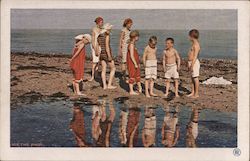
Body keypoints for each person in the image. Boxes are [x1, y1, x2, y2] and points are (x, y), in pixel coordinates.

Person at [97, 23, 117, 89]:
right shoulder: (107, 35)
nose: (111, 30)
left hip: (101, 54)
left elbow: (98, 46)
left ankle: (104, 86)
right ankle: (109, 85)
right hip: (106, 53)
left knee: (103, 69)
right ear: (107, 29)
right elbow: (107, 47)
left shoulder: (99, 35)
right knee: (113, 68)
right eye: (110, 29)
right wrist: (109, 56)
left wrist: (98, 53)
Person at [127, 30, 142, 95]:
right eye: (137, 36)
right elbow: (131, 56)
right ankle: (131, 91)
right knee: (132, 75)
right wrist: (135, 63)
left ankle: (140, 87)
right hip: (132, 62)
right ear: (135, 37)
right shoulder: (131, 44)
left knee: (137, 74)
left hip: (135, 62)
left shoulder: (132, 44)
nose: (138, 38)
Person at [187, 29, 201, 98]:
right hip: (191, 62)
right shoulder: (193, 44)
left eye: (189, 36)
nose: (188, 37)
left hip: (194, 63)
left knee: (195, 77)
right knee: (192, 78)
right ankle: (192, 92)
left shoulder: (196, 45)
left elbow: (195, 56)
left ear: (192, 36)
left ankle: (196, 93)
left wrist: (192, 65)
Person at [88, 17, 103, 82]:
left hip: (100, 46)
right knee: (94, 62)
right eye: (101, 22)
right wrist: (95, 49)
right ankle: (92, 76)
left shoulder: (101, 29)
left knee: (98, 61)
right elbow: (93, 40)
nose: (102, 23)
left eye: (102, 22)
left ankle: (96, 75)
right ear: (98, 22)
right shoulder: (94, 29)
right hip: (95, 46)